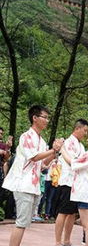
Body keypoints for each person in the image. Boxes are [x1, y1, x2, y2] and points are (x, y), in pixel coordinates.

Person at [2, 105, 64, 246]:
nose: (47, 121)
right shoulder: (26, 136)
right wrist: (53, 150)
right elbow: (33, 157)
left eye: (48, 118)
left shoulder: (41, 141)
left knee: (24, 222)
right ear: (34, 118)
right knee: (21, 223)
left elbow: (42, 164)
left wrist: (54, 152)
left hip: (33, 186)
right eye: (45, 117)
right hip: (23, 184)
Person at [55, 119, 88, 246]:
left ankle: (67, 240)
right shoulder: (68, 142)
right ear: (77, 128)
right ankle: (58, 241)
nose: (86, 133)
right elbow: (73, 162)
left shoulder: (80, 145)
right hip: (67, 181)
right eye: (85, 130)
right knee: (63, 212)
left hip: (77, 184)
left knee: (71, 213)